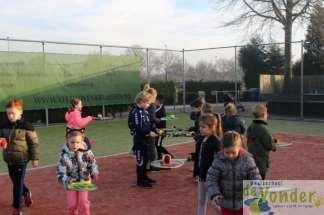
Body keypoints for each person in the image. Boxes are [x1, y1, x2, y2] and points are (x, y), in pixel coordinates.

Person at [207, 131, 262, 215]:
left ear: (239, 148)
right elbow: (211, 178)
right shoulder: (218, 161)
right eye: (227, 152)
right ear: (222, 149)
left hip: (244, 203)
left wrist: (255, 193)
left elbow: (256, 177)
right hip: (226, 204)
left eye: (233, 152)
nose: (230, 155)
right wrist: (215, 193)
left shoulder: (248, 160)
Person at [0, 99, 39, 215]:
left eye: (13, 113)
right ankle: (26, 193)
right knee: (15, 181)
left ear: (20, 112)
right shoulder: (3, 125)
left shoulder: (27, 126)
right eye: (8, 113)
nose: (10, 116)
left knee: (17, 183)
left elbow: (34, 143)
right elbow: (1, 138)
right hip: (9, 159)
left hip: (22, 159)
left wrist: (35, 158)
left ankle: (17, 208)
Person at [57, 130, 99, 215]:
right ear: (67, 141)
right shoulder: (63, 156)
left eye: (77, 142)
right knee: (72, 205)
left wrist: (94, 171)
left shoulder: (87, 152)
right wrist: (67, 180)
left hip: (84, 180)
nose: (75, 145)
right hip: (71, 183)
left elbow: (92, 164)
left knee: (83, 203)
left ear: (82, 141)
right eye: (72, 142)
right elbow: (60, 173)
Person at [129, 91, 158, 188]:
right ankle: (140, 181)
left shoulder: (145, 112)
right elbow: (138, 127)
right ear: (141, 101)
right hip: (139, 141)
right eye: (148, 103)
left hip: (146, 140)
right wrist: (148, 133)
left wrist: (154, 129)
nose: (149, 105)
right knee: (140, 161)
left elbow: (148, 124)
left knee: (146, 159)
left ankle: (145, 177)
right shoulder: (136, 112)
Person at [197, 114, 222, 215]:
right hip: (202, 176)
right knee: (201, 200)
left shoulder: (215, 142)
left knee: (213, 201)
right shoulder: (203, 139)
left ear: (212, 128)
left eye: (203, 127)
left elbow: (220, 160)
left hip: (211, 177)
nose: (200, 129)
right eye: (200, 126)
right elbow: (201, 157)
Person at [247, 104, 276, 180]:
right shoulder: (264, 129)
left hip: (251, 159)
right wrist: (274, 146)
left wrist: (271, 140)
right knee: (260, 180)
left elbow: (255, 138)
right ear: (263, 115)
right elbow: (269, 145)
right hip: (261, 161)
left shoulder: (251, 126)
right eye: (266, 113)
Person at [189, 98, 204, 178]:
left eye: (193, 108)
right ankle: (197, 173)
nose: (192, 110)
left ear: (199, 107)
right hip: (199, 139)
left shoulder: (201, 117)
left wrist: (195, 135)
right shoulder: (198, 115)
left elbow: (201, 130)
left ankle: (198, 174)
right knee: (199, 155)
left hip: (201, 139)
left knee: (200, 156)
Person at [154, 94, 173, 159]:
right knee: (157, 144)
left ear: (158, 101)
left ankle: (170, 155)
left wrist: (155, 119)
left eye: (155, 100)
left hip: (161, 130)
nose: (154, 101)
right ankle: (159, 158)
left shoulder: (161, 109)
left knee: (158, 145)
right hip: (157, 130)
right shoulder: (157, 108)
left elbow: (161, 120)